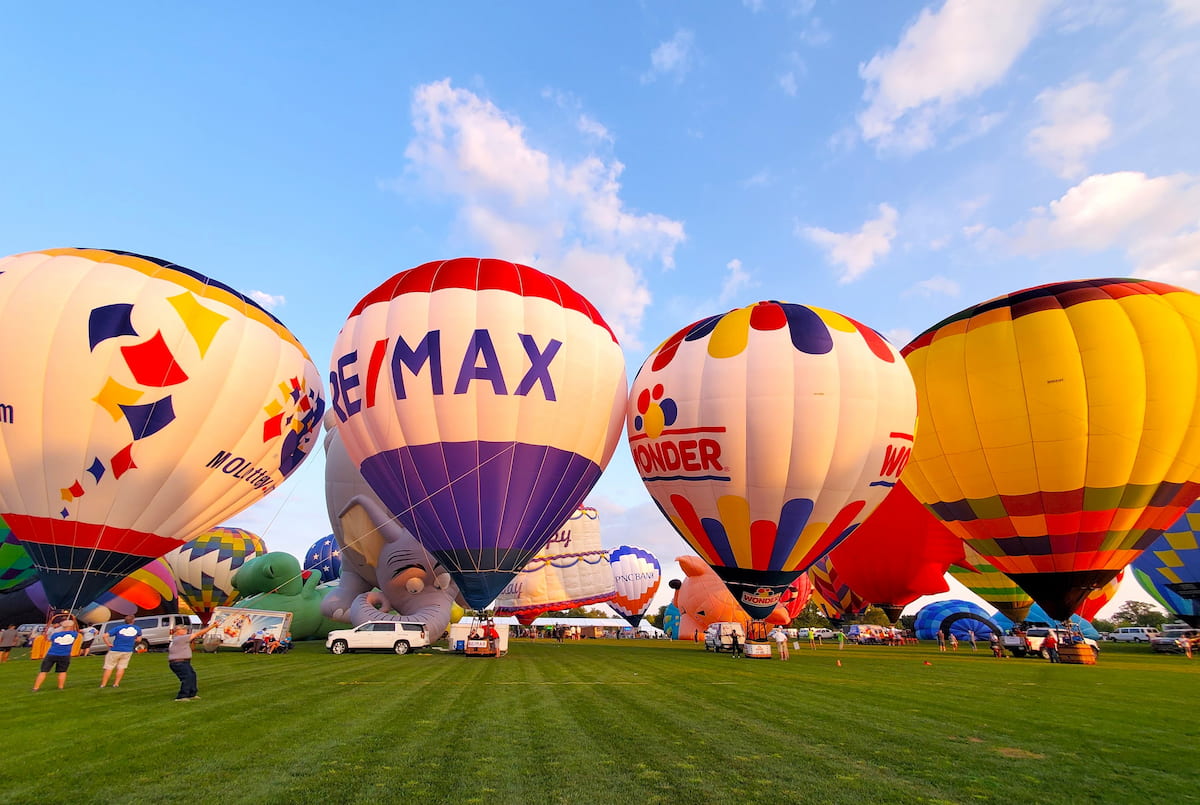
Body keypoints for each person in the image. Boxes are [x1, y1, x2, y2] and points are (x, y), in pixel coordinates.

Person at [168, 620, 219, 701]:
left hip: (182, 662)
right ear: (177, 631)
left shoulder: (179, 639)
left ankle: (191, 694)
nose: (185, 630)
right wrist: (212, 626)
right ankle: (182, 696)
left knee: (192, 675)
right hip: (179, 662)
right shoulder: (180, 638)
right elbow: (198, 633)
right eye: (183, 629)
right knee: (187, 677)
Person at [33, 616, 79, 691]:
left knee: (43, 671)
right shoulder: (74, 634)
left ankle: (36, 687)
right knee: (62, 671)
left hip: (52, 653)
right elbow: (77, 630)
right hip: (64, 655)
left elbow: (49, 639)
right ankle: (60, 687)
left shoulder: (55, 635)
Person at [100, 615, 142, 688]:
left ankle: (103, 684)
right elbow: (139, 640)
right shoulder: (137, 628)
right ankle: (116, 684)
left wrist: (108, 644)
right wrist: (132, 639)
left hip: (115, 649)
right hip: (128, 650)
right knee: (121, 667)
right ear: (133, 621)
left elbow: (105, 636)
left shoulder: (119, 628)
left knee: (109, 667)